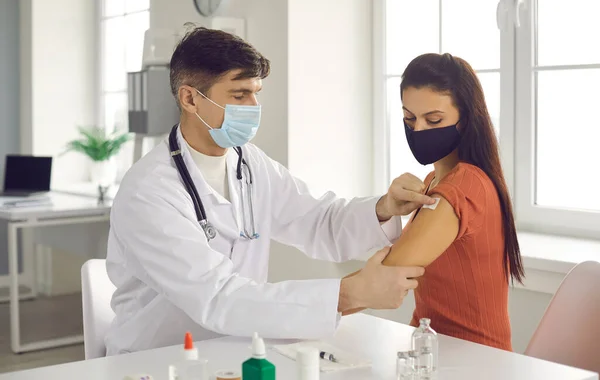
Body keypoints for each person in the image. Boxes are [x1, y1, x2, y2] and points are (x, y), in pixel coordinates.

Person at [104, 26, 432, 355]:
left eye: (256, 92)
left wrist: (384, 208)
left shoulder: (249, 163)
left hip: (236, 351)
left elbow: (318, 221)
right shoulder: (148, 191)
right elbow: (217, 297)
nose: (253, 105)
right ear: (190, 98)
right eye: (239, 95)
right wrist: (348, 294)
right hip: (157, 360)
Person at [344, 53, 524, 351]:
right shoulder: (432, 181)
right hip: (430, 350)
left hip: (474, 361)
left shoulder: (464, 187)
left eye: (434, 119)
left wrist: (289, 311)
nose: (418, 130)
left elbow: (381, 280)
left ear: (466, 118)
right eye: (409, 118)